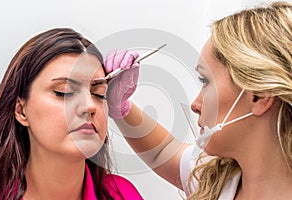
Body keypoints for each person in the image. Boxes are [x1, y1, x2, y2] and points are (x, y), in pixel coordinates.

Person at [104, 1, 292, 199]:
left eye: (206, 81)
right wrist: (120, 107)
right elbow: (163, 152)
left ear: (259, 95)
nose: (195, 104)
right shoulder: (216, 180)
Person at [0, 28, 143, 200]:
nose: (89, 106)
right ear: (21, 111)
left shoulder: (121, 193)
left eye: (99, 94)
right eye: (64, 92)